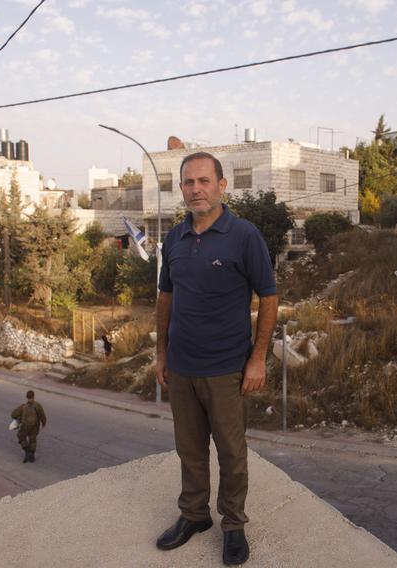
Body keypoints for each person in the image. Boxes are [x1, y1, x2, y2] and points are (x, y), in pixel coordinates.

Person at [154, 152, 278, 566]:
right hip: (182, 366)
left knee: (231, 454)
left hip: (227, 369)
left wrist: (258, 359)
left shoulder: (243, 235)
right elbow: (165, 298)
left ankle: (233, 526)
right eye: (188, 182)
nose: (196, 189)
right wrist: (160, 353)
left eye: (204, 181)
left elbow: (270, 297)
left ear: (222, 185)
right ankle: (193, 516)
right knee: (189, 451)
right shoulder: (174, 238)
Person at [10, 390, 47, 463]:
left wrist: (18, 418)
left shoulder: (23, 406)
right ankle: (32, 457)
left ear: (27, 397)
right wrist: (43, 423)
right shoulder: (37, 405)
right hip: (34, 427)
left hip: (25, 427)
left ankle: (27, 452)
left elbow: (13, 414)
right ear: (34, 396)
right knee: (33, 440)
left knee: (21, 437)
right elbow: (42, 416)